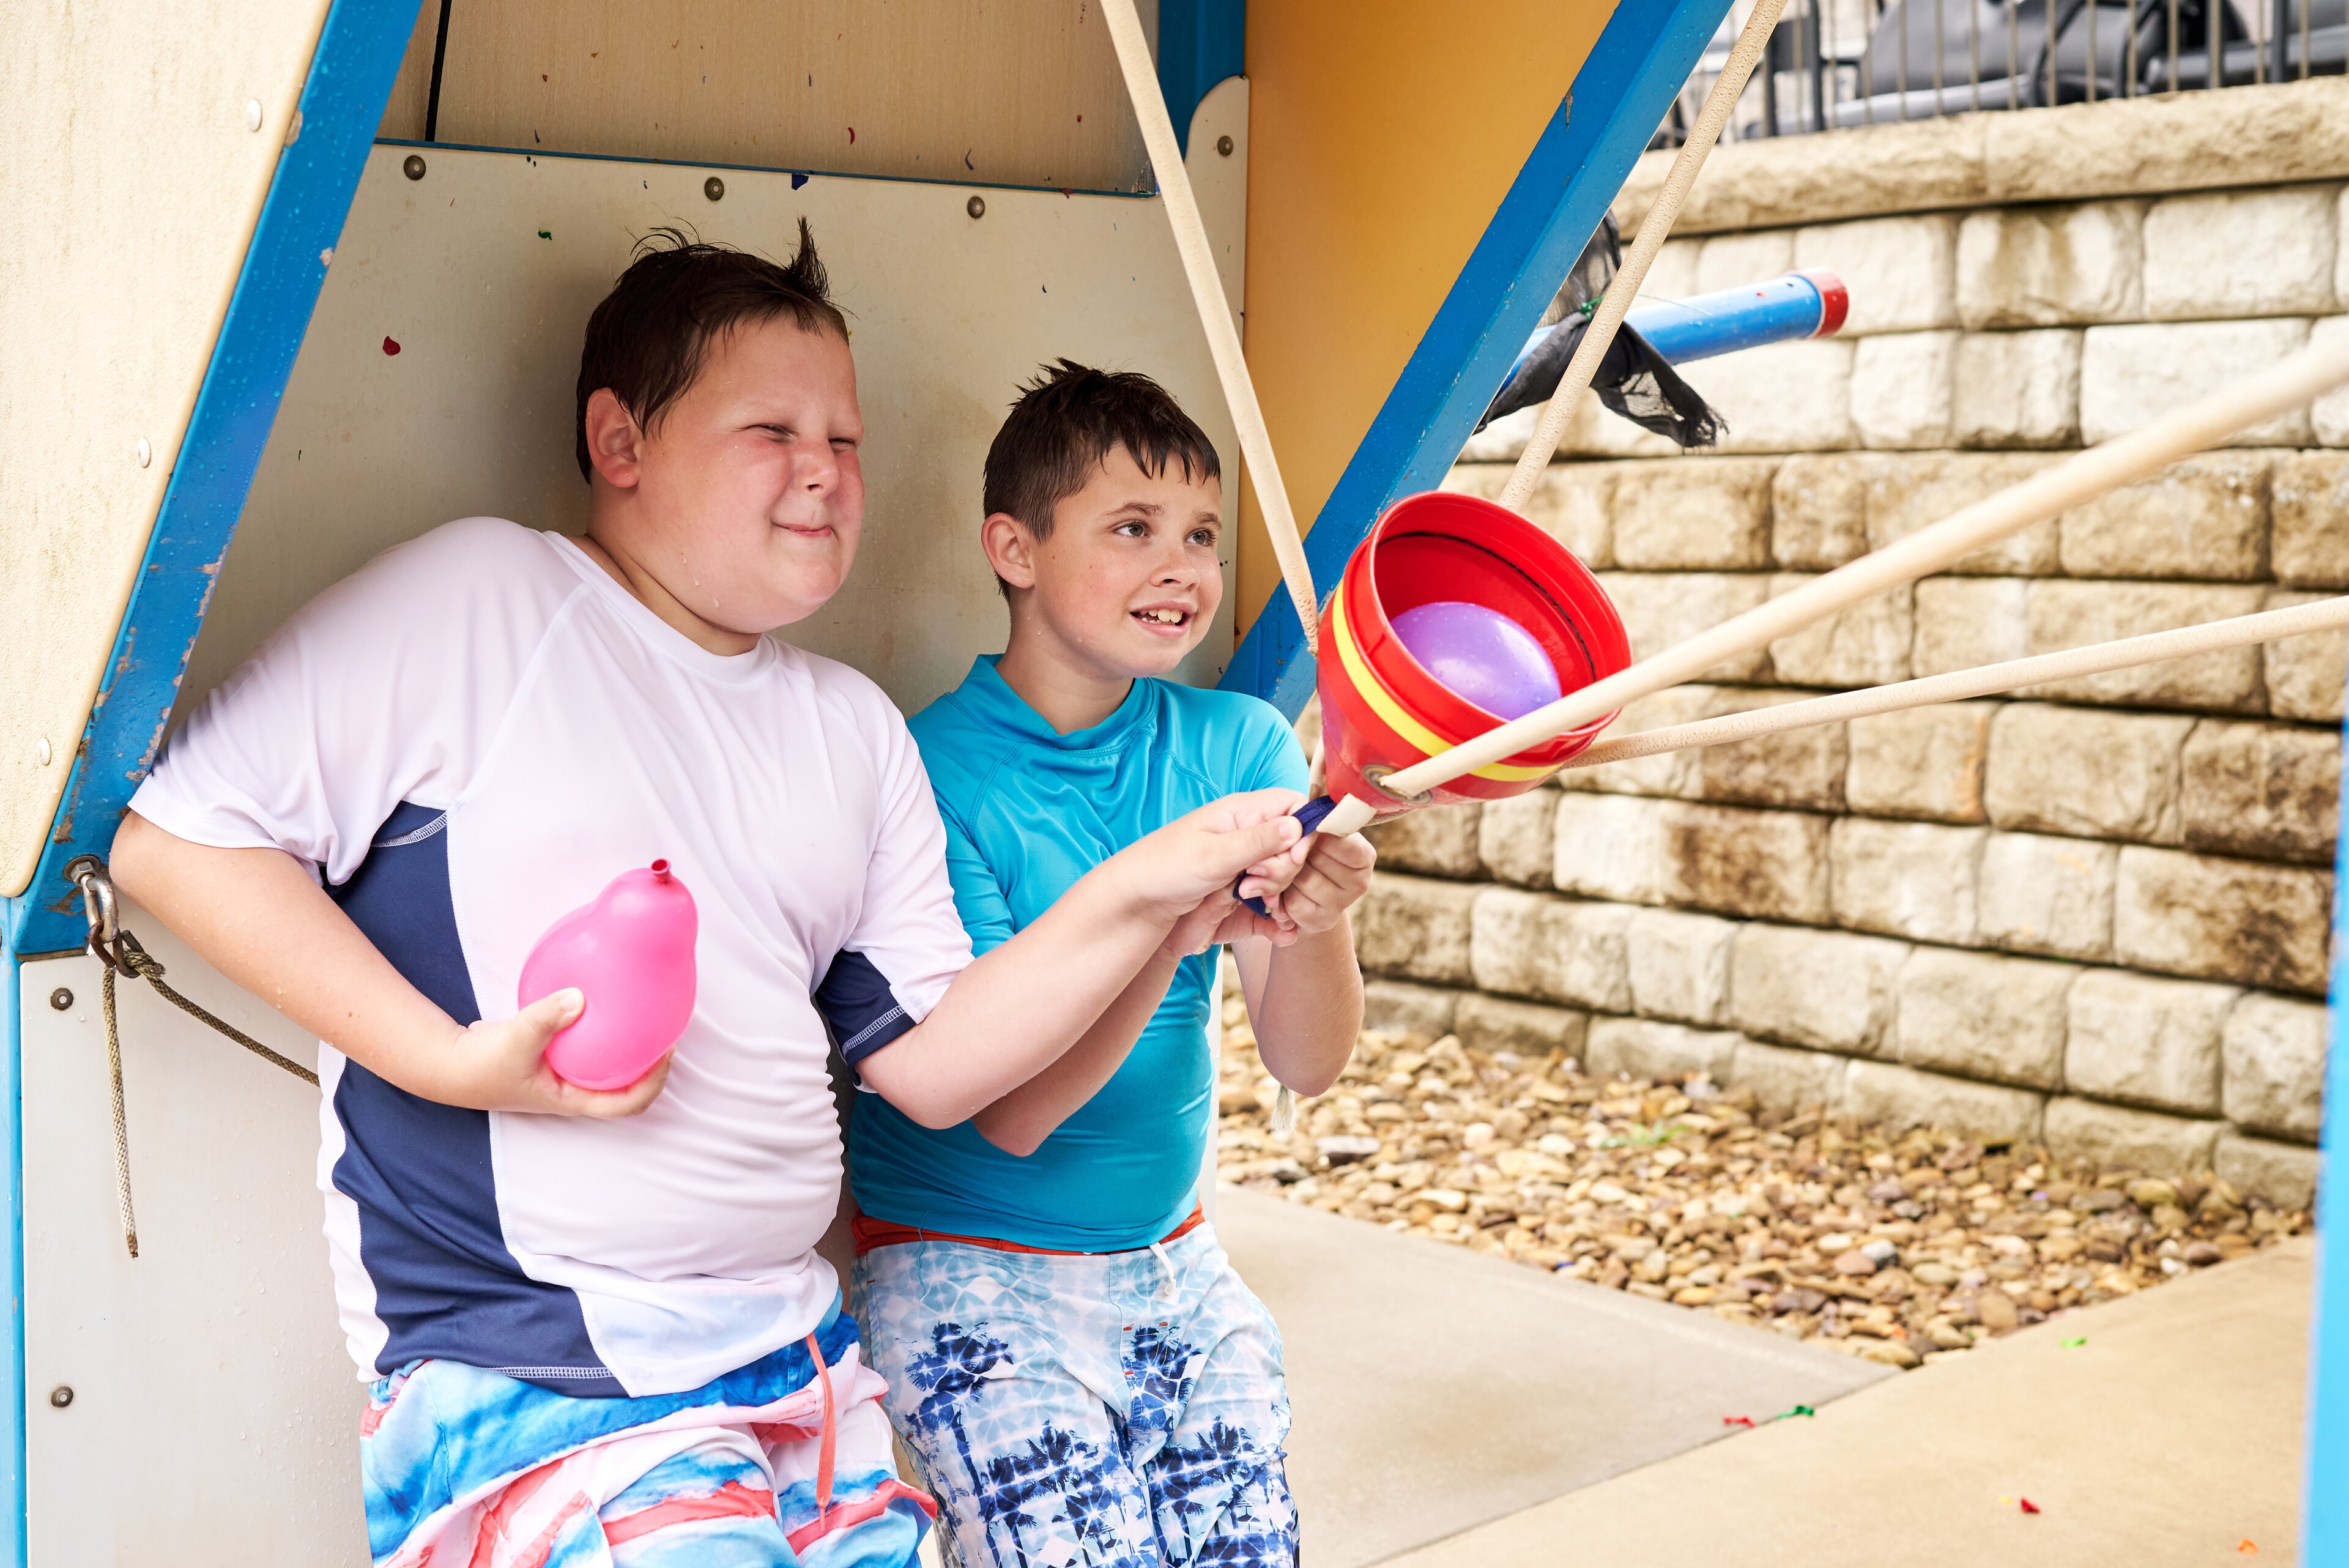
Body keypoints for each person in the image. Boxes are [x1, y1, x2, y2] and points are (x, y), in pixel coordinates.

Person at [106, 233, 1307, 1568]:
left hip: (802, 1369)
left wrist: (1163, 900)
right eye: (772, 429)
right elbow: (175, 836)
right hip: (540, 1380)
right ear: (620, 441)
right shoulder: (480, 600)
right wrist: (444, 1062)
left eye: (846, 440)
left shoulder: (849, 729)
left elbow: (948, 1068)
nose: (823, 472)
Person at [848, 362, 1376, 1568]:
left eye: (1199, 532)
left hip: (1170, 1255)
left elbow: (1309, 1059)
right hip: (961, 1264)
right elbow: (1014, 1114)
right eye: (1131, 529)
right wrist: (1166, 911)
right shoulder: (930, 771)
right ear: (1014, 549)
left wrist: (1324, 911)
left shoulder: (1240, 741)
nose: (1181, 565)